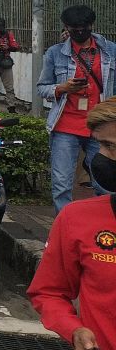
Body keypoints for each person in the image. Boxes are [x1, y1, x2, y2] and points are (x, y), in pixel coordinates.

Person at [29, 99, 116, 350]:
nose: (101, 158)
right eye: (102, 145)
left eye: (112, 147)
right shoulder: (75, 219)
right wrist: (73, 328)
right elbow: (48, 292)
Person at [37, 5, 116, 215]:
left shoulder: (110, 51)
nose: (79, 31)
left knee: (104, 181)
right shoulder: (55, 53)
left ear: (91, 25)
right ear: (66, 27)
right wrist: (63, 88)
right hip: (65, 126)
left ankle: (105, 226)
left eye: (83, 27)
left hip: (99, 127)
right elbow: (42, 88)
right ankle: (64, 228)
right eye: (74, 28)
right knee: (61, 183)